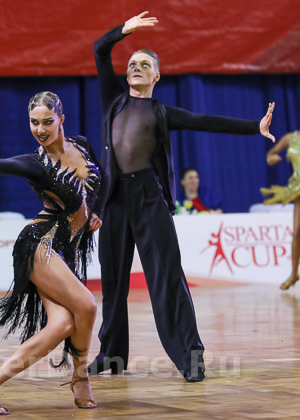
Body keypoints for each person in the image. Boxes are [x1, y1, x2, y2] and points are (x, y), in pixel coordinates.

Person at [87, 11, 275, 382]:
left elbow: (207, 122)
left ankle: (191, 357)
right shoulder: (113, 101)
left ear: (157, 76)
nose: (136, 67)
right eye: (132, 63)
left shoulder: (160, 111)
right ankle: (112, 355)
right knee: (113, 282)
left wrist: (255, 126)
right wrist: (124, 30)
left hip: (148, 197)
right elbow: (99, 49)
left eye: (145, 64)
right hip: (114, 199)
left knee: (168, 278)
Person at [0, 91, 106, 414]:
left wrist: (97, 211)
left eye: (47, 122)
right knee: (87, 305)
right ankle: (81, 377)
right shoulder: (35, 164)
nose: (40, 129)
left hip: (66, 250)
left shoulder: (82, 145)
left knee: (62, 325)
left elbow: (104, 178)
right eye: (33, 122)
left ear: (61, 120)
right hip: (39, 244)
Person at [261, 131, 300, 290]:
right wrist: (272, 158)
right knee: (297, 232)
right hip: (298, 190)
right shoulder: (291, 138)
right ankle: (294, 274)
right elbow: (270, 154)